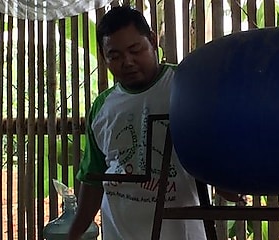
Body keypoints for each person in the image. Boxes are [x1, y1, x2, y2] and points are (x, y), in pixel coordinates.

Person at [68, 6, 242, 240]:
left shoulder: (187, 88)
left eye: (135, 50)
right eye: (115, 56)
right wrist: (74, 233)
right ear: (103, 56)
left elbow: (221, 166)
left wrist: (229, 183)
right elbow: (94, 178)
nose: (127, 62)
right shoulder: (102, 108)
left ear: (151, 40)